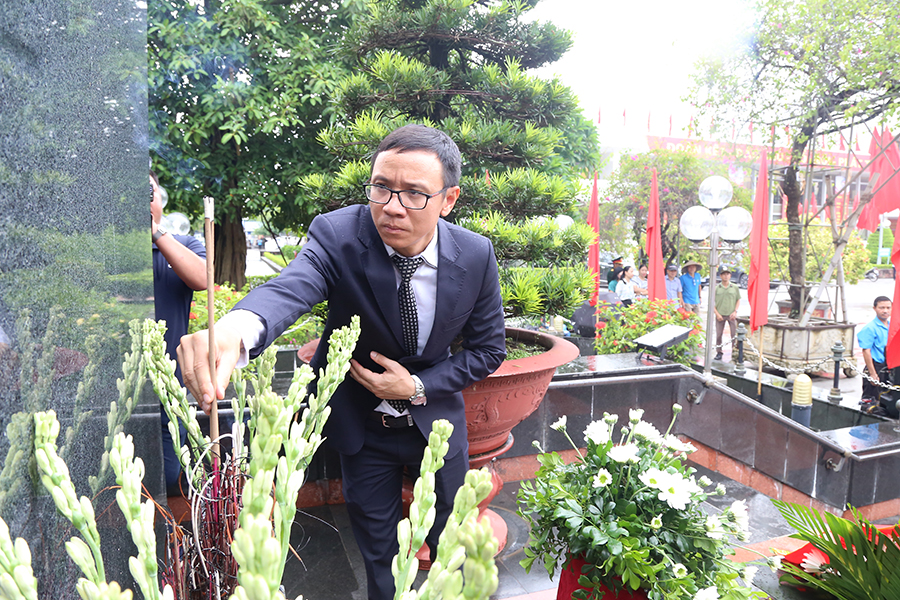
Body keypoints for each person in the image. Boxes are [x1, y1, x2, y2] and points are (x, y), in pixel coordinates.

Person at [177, 125, 506, 600]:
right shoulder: (339, 234)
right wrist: (235, 329)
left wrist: (416, 386)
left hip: (435, 424)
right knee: (380, 562)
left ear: (448, 199)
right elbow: (293, 285)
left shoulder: (475, 254)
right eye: (381, 187)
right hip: (362, 430)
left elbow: (488, 350)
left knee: (450, 551)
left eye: (415, 194)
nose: (392, 206)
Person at [150, 169, 208, 493]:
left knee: (171, 474)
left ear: (161, 199)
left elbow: (202, 278)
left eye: (149, 192)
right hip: (120, 390)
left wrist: (156, 233)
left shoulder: (182, 244)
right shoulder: (112, 248)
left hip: (168, 387)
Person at [858, 295, 891, 408]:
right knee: (870, 403)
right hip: (876, 366)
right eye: (882, 308)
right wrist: (872, 374)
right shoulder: (870, 328)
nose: (885, 311)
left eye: (888, 308)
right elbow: (866, 351)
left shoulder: (891, 326)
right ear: (875, 308)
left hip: (888, 367)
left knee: (886, 401)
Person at [713, 267, 741, 361]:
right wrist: (717, 314)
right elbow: (712, 302)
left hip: (731, 315)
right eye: (724, 274)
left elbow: (738, 300)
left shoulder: (734, 287)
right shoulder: (717, 288)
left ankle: (734, 352)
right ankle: (719, 352)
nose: (726, 276)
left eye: (727, 274)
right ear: (721, 276)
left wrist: (735, 311)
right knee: (718, 335)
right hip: (720, 314)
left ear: (730, 275)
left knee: (734, 334)